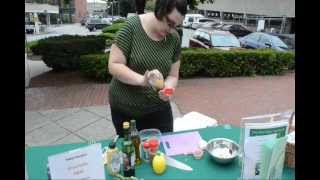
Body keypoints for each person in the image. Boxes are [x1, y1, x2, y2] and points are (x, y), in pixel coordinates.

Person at [107, 0, 187, 137]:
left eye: (177, 26)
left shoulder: (174, 38)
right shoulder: (131, 28)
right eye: (170, 24)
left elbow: (173, 76)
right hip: (126, 110)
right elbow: (114, 65)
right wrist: (142, 80)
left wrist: (167, 89)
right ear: (160, 10)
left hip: (158, 109)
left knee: (163, 149)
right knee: (131, 152)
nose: (172, 30)